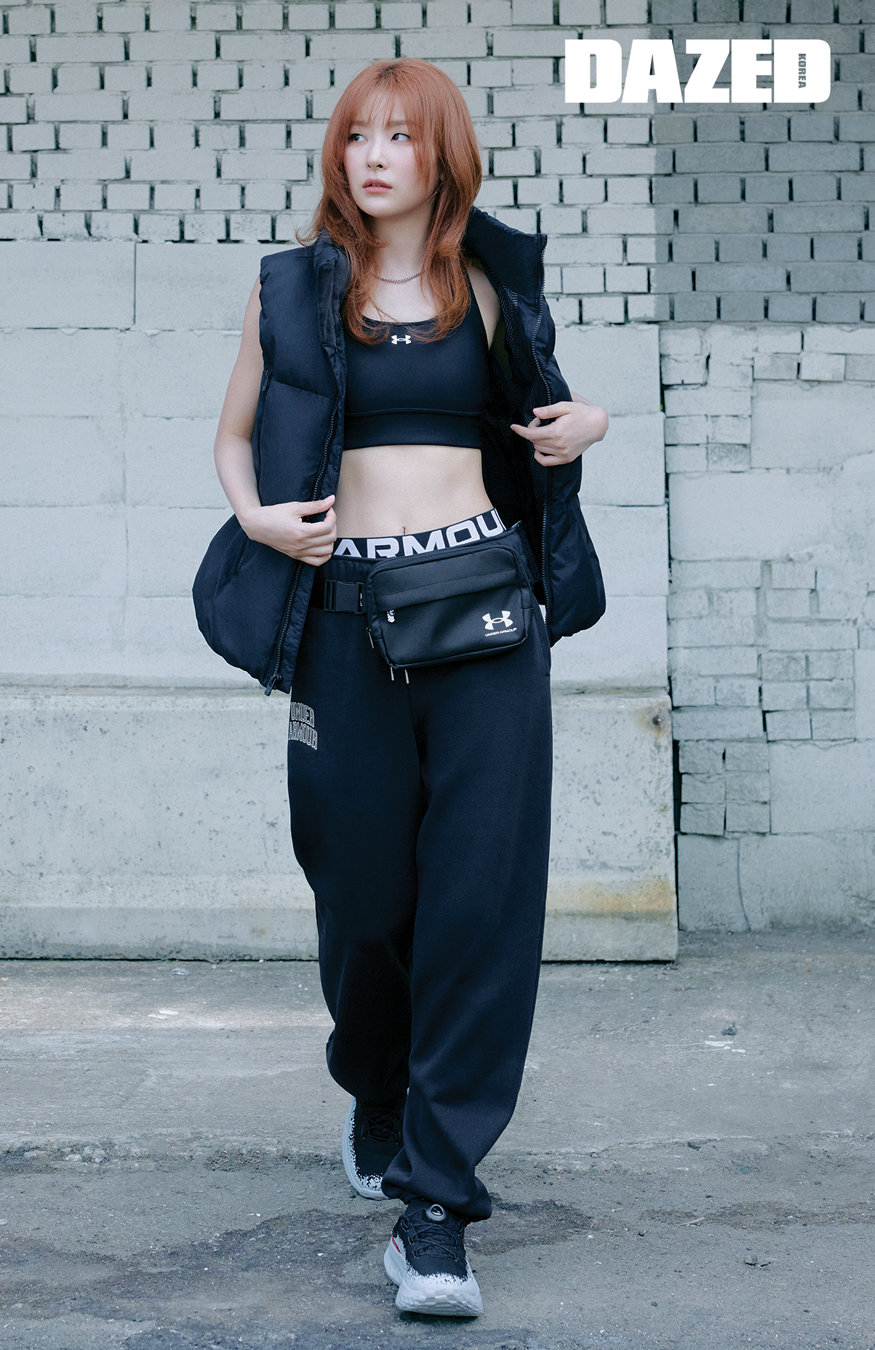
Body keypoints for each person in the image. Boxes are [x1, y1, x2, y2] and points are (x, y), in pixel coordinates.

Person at [194, 58, 608, 1319]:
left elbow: (546, 417)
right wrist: (257, 519)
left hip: (485, 620)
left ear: (440, 157)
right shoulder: (291, 290)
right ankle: (376, 1086)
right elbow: (233, 435)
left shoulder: (490, 285)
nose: (374, 156)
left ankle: (437, 1211)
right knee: (363, 894)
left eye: (399, 137)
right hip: (344, 618)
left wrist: (585, 426)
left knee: (480, 904)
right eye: (357, 137)